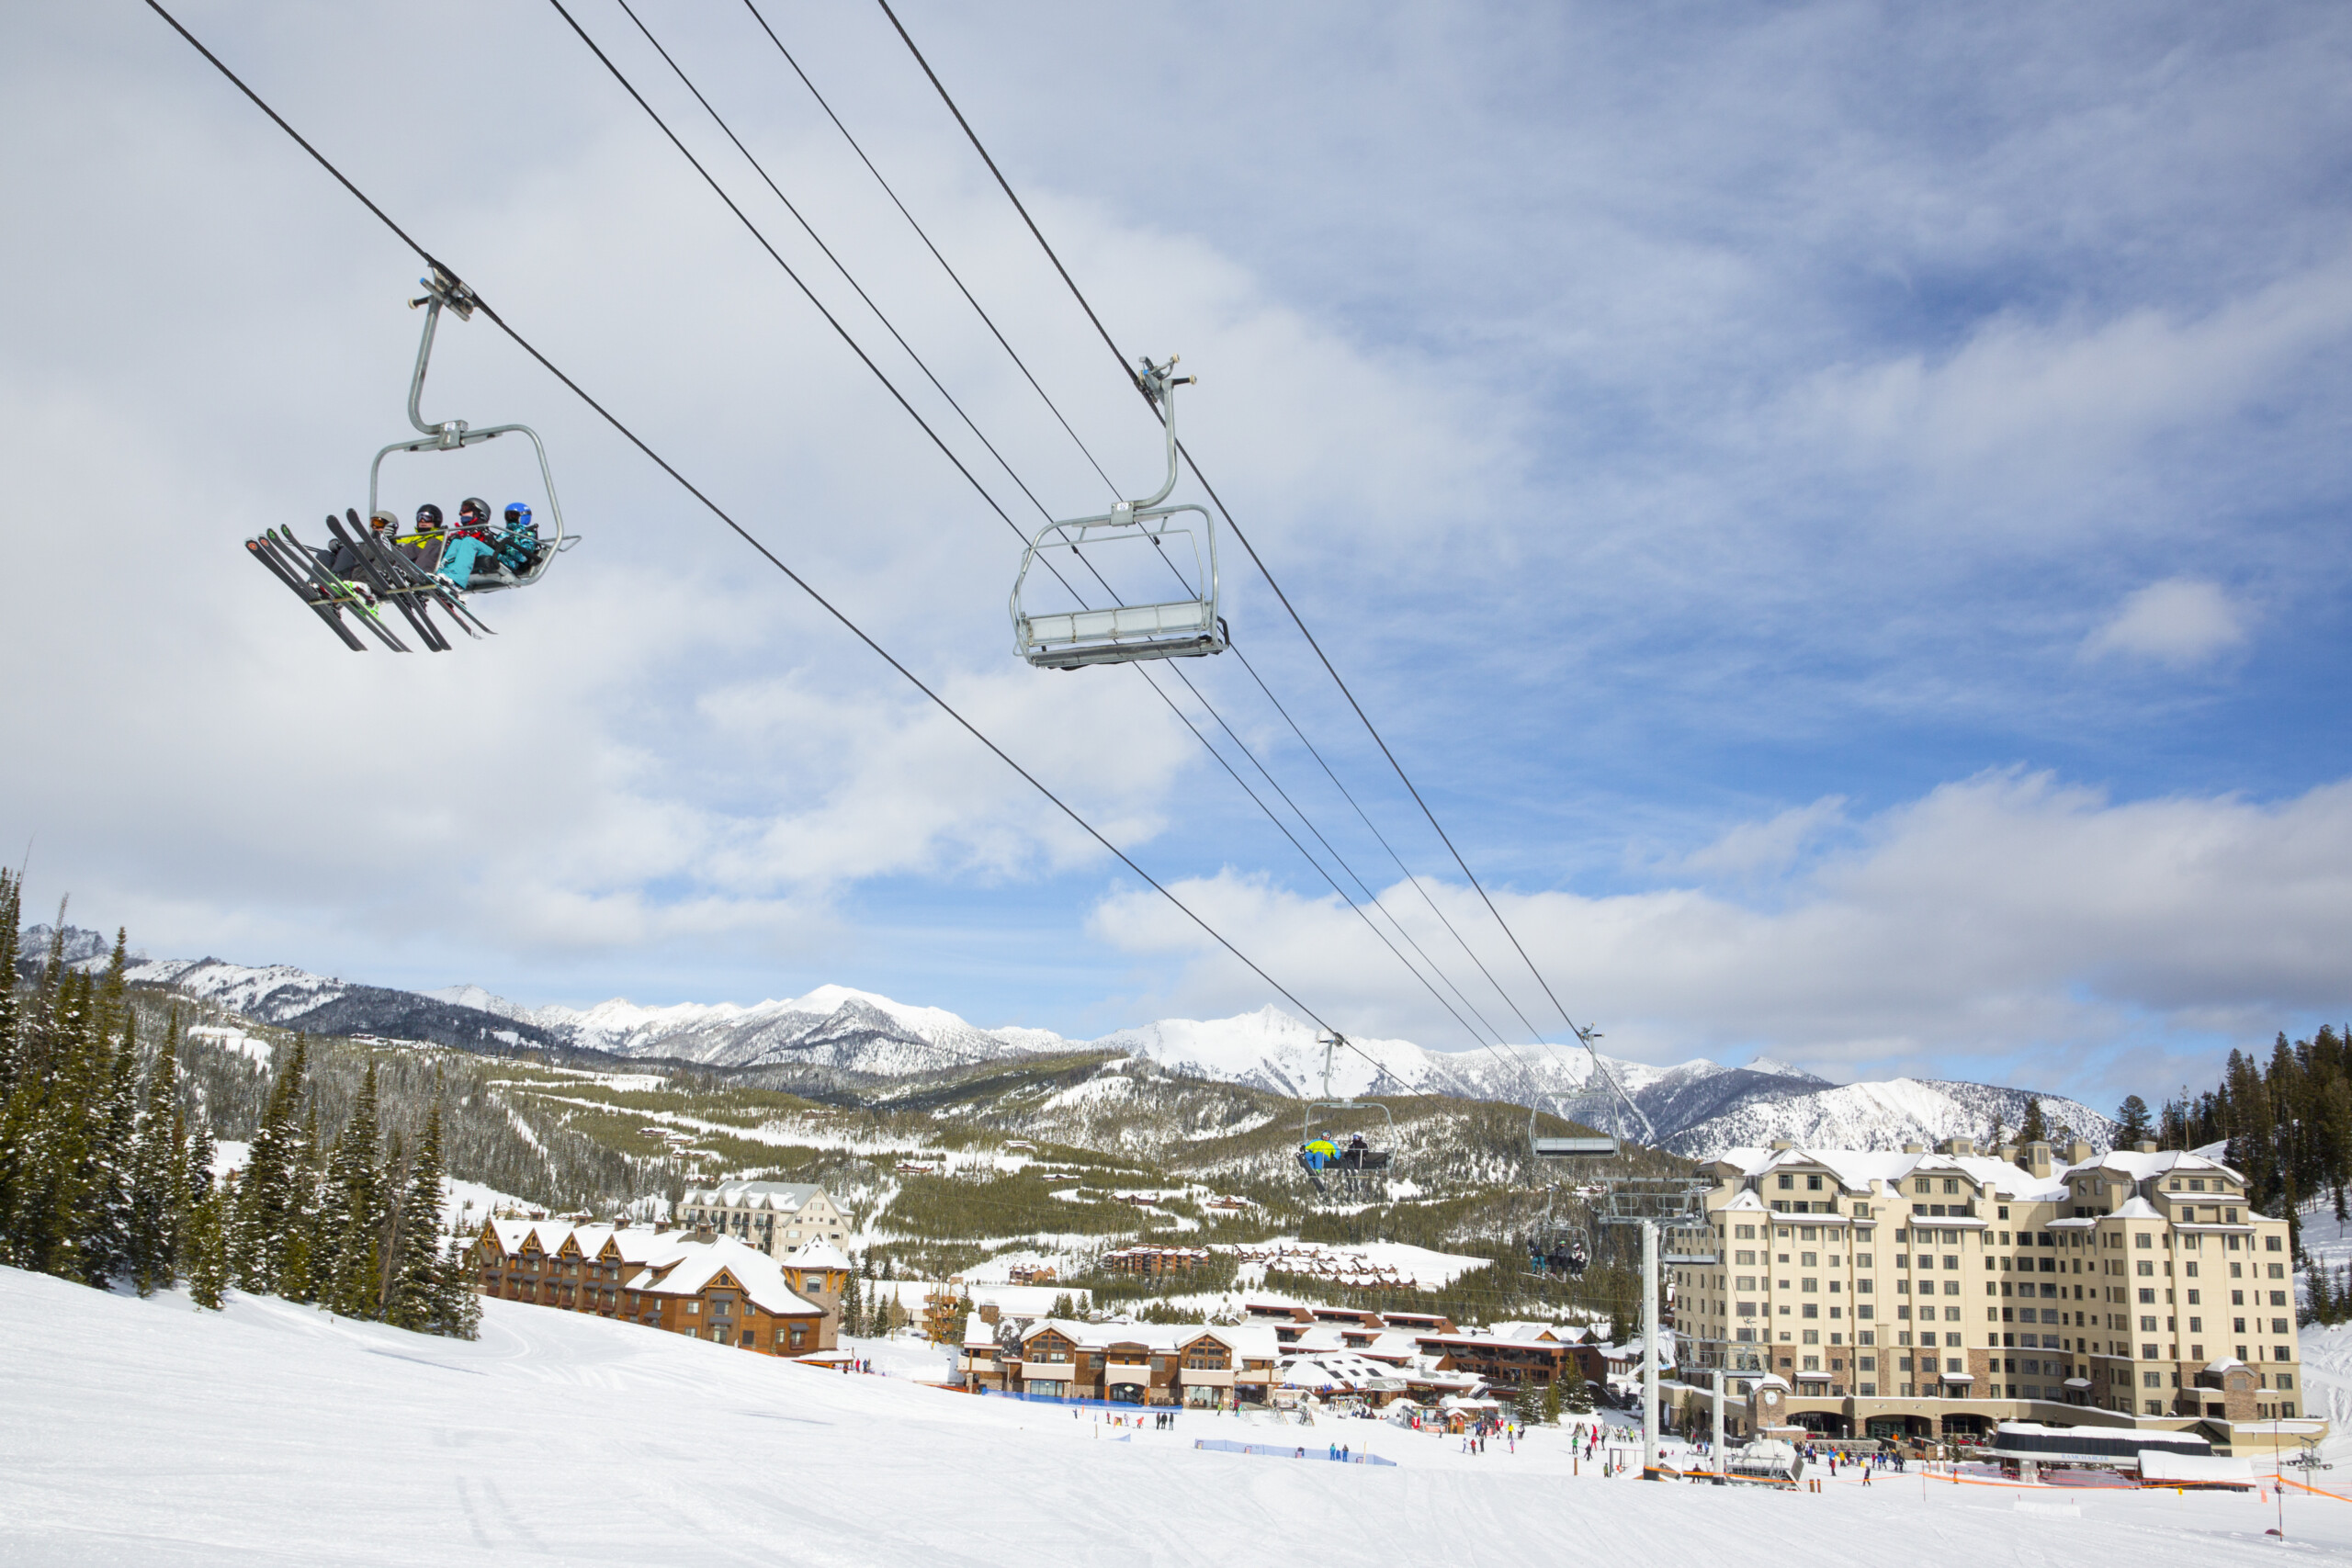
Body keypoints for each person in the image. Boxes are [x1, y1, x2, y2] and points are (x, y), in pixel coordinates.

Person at [433, 496, 501, 589]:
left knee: (469, 541)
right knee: (456, 542)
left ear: (479, 514)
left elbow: (495, 545)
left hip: (495, 555)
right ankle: (442, 576)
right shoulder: (462, 535)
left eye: (465, 510)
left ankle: (456, 582)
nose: (461, 513)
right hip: (471, 548)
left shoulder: (486, 533)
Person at [493, 501, 540, 572]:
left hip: (510, 563)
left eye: (513, 516)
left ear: (523, 516)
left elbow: (523, 557)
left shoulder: (527, 534)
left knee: (472, 543)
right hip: (496, 556)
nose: (510, 519)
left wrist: (504, 548)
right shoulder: (503, 534)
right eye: (508, 516)